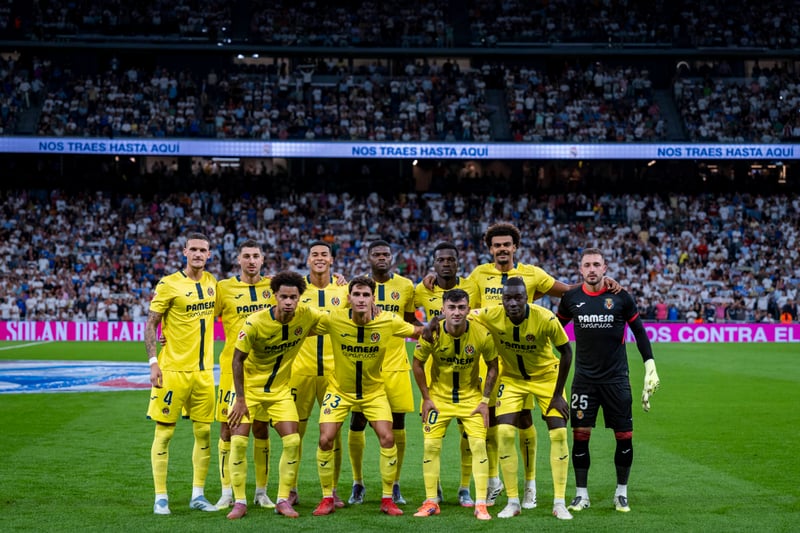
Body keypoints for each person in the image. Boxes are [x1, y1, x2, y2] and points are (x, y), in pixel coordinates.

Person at [423, 222, 616, 509]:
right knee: (488, 424)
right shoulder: (478, 275)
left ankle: (530, 485)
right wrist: (434, 281)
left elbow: (567, 292)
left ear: (515, 247)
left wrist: (598, 283)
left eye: (506, 244)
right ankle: (493, 481)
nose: (502, 249)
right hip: (492, 361)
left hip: (527, 359)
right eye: (497, 245)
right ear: (490, 249)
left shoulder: (533, 274)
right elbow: (459, 304)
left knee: (524, 421)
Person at [556, 248, 661, 513]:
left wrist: (650, 364)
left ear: (605, 268)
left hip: (617, 380)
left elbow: (640, 332)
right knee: (580, 437)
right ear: (580, 269)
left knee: (624, 437)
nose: (591, 269)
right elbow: (554, 330)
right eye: (587, 265)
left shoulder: (621, 297)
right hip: (584, 381)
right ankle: (581, 495)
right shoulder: (571, 299)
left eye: (596, 264)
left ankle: (621, 493)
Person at [311, 276, 423, 517]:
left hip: (373, 392)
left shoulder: (388, 321)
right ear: (349, 298)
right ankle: (327, 497)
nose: (361, 299)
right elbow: (303, 324)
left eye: (365, 295)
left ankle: (387, 499)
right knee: (325, 439)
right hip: (340, 391)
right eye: (356, 294)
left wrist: (448, 322)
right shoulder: (334, 318)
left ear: (373, 298)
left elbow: (418, 332)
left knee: (388, 438)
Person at [470, 277, 574, 520]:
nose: (513, 303)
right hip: (512, 379)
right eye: (508, 298)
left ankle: (559, 503)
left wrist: (558, 394)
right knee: (505, 432)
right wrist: (433, 323)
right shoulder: (491, 314)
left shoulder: (545, 318)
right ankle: (513, 501)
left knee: (559, 434)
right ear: (502, 300)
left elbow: (567, 353)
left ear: (527, 298)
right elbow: (462, 313)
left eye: (518, 298)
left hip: (547, 377)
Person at [225, 271, 324, 519]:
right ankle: (239, 502)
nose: (289, 302)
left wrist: (368, 308)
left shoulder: (307, 316)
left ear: (300, 297)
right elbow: (237, 360)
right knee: (238, 442)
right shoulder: (255, 322)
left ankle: (282, 500)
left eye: (293, 297)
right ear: (275, 296)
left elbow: (337, 320)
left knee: (292, 441)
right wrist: (240, 399)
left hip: (279, 391)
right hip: (248, 390)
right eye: (284, 297)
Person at [146, 232, 219, 515]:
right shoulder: (168, 284)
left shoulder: (212, 283)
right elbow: (151, 324)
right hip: (172, 372)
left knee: (204, 433)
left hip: (203, 373)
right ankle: (160, 497)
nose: (198, 254)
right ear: (185, 252)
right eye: (194, 250)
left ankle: (197, 495)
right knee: (164, 433)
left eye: (203, 250)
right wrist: (153, 362)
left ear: (209, 254)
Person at [411, 288, 498, 521]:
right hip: (438, 398)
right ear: (443, 310)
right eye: (451, 307)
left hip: (471, 399)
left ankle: (481, 504)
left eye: (461, 307)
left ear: (468, 309)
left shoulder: (481, 333)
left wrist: (485, 401)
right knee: (430, 446)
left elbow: (493, 366)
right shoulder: (432, 333)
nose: (456, 312)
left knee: (478, 445)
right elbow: (417, 363)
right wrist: (426, 397)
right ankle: (431, 501)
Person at [347, 240, 420, 506]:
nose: (381, 258)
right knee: (357, 422)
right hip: (365, 365)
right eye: (376, 254)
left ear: (392, 257)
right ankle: (357, 483)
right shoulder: (358, 287)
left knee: (398, 426)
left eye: (386, 254)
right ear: (368, 257)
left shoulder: (406, 286)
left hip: (397, 365)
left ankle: (395, 483)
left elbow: (411, 321)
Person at [413, 242, 480, 506]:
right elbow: (407, 314)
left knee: (469, 435)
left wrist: (438, 320)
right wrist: (425, 328)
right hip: (437, 369)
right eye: (440, 260)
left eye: (450, 259)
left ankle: (465, 488)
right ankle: (435, 487)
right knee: (433, 439)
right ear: (433, 263)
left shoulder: (472, 286)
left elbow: (483, 313)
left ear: (458, 262)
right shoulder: (422, 289)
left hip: (468, 366)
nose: (446, 264)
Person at [214, 240, 275, 511]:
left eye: (256, 256)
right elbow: (201, 316)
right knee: (227, 429)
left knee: (261, 428)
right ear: (238, 260)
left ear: (262, 259)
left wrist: (339, 279)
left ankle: (261, 492)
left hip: (263, 371)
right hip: (231, 369)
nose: (251, 261)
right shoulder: (223, 288)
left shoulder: (273, 287)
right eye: (246, 256)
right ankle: (226, 492)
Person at [287, 241, 349, 507]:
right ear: (308, 259)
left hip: (334, 374)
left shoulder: (344, 290)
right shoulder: (296, 289)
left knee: (333, 434)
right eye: (315, 254)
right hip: (300, 371)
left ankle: (332, 489)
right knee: (294, 434)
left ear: (332, 260)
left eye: (324, 254)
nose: (320, 258)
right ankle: (290, 488)